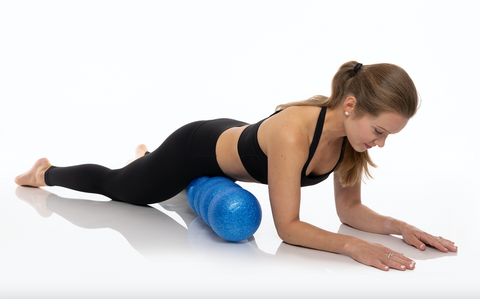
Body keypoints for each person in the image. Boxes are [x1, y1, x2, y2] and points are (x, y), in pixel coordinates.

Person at [15, 61, 457, 271]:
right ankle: (46, 172)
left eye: (387, 136)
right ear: (350, 105)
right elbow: (287, 227)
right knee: (122, 188)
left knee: (141, 177)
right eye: (379, 131)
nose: (378, 145)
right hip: (195, 147)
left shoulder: (349, 141)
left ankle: (145, 160)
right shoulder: (293, 134)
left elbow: (349, 213)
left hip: (234, 139)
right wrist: (352, 248)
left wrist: (400, 226)